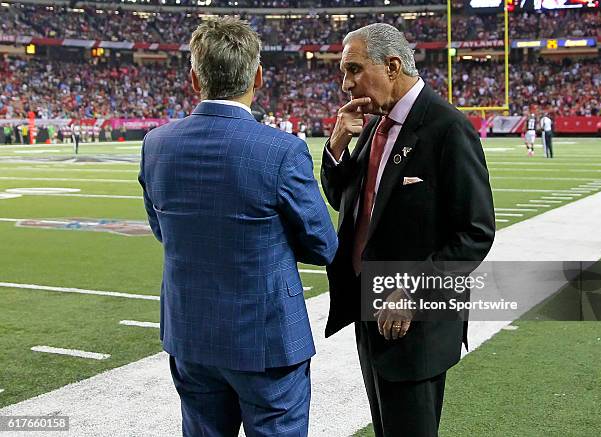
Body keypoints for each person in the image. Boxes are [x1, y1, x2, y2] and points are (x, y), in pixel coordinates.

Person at [138, 17, 338, 437]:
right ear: (258, 77)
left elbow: (163, 231)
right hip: (266, 338)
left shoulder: (156, 144)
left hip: (190, 333)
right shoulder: (281, 149)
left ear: (194, 79)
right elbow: (323, 245)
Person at [320, 23, 495, 437]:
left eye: (354, 70)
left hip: (414, 319)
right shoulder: (375, 124)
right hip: (370, 306)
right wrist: (337, 145)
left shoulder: (446, 127)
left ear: (393, 66)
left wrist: (413, 290)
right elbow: (346, 202)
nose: (347, 85)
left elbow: (475, 232)